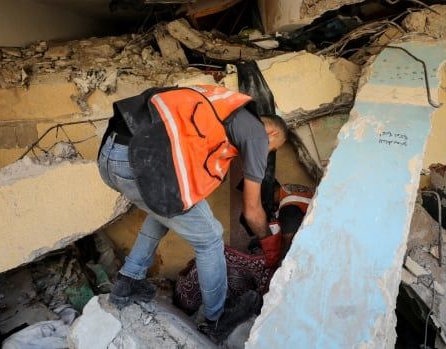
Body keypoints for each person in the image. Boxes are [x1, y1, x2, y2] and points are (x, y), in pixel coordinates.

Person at [96, 85, 288, 341]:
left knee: (164, 211)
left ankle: (127, 282)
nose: (266, 153)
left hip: (111, 156)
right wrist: (271, 244)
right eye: (272, 148)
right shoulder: (256, 134)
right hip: (139, 160)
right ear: (272, 132)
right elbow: (252, 210)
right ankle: (216, 319)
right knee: (210, 238)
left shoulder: (222, 105)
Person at [174, 182, 314, 315]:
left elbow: (288, 244)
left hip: (295, 267)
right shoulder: (291, 193)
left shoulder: (290, 205)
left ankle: (197, 306)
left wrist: (275, 261)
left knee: (217, 256)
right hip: (296, 259)